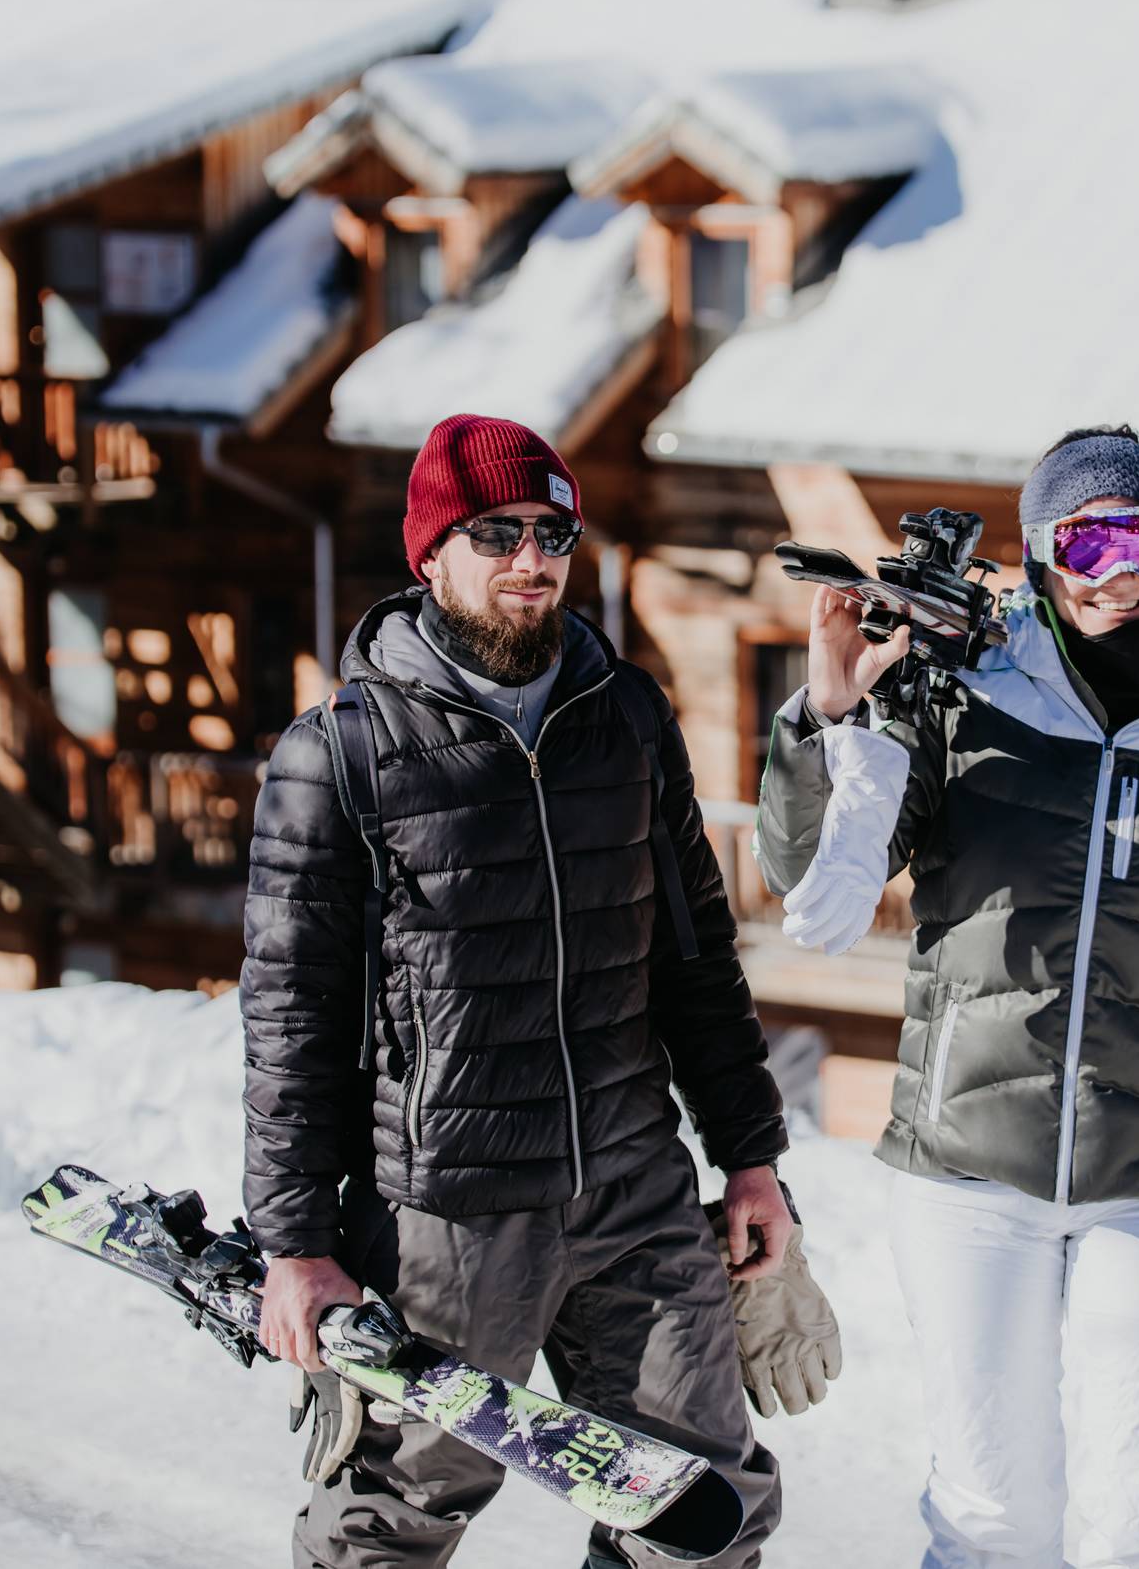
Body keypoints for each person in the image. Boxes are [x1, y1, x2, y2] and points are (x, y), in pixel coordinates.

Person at [755, 426, 1139, 1569]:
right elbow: (820, 891)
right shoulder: (962, 696)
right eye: (1088, 543)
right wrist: (829, 715)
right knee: (992, 1513)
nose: (1122, 571)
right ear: (1045, 558)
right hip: (962, 1173)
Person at [239, 413, 820, 1569]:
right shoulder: (340, 752)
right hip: (448, 1214)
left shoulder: (628, 719)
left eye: (552, 531)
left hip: (636, 1188)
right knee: (394, 1518)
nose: (530, 557)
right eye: (496, 531)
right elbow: (290, 1016)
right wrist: (297, 1241)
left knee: (703, 1512)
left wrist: (750, 1158)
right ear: (432, 552)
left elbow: (695, 958)